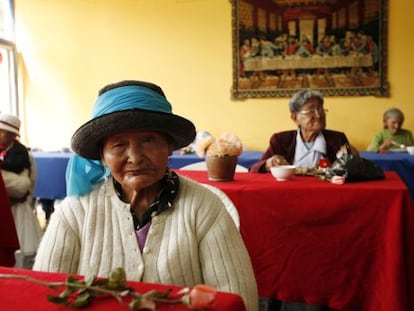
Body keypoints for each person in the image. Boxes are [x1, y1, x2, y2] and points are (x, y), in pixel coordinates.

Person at [33, 80, 259, 310]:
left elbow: (238, 298)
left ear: (169, 146)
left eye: (148, 140)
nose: (135, 157)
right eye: (119, 145)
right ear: (102, 156)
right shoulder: (75, 212)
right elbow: (43, 294)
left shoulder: (205, 208)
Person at [250, 89, 353, 174]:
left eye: (321, 109)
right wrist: (268, 164)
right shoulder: (281, 140)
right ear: (295, 118)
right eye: (311, 111)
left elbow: (352, 172)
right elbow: (254, 170)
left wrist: (353, 161)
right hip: (289, 192)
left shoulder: (337, 139)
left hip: (325, 192)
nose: (319, 115)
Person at [0, 113, 43, 266]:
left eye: (2, 132)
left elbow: (22, 179)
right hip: (6, 205)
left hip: (17, 207)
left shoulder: (20, 151)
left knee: (22, 245)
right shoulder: (3, 149)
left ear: (12, 135)